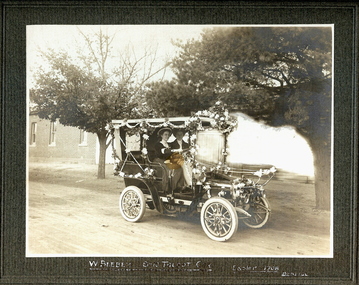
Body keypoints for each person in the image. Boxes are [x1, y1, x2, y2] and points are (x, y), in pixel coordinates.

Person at [153, 128, 173, 193]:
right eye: (165, 135)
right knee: (166, 168)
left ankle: (176, 187)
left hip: (167, 161)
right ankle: (165, 188)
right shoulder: (158, 145)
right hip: (158, 161)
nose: (167, 136)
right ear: (161, 135)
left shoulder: (169, 145)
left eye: (168, 135)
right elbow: (160, 154)